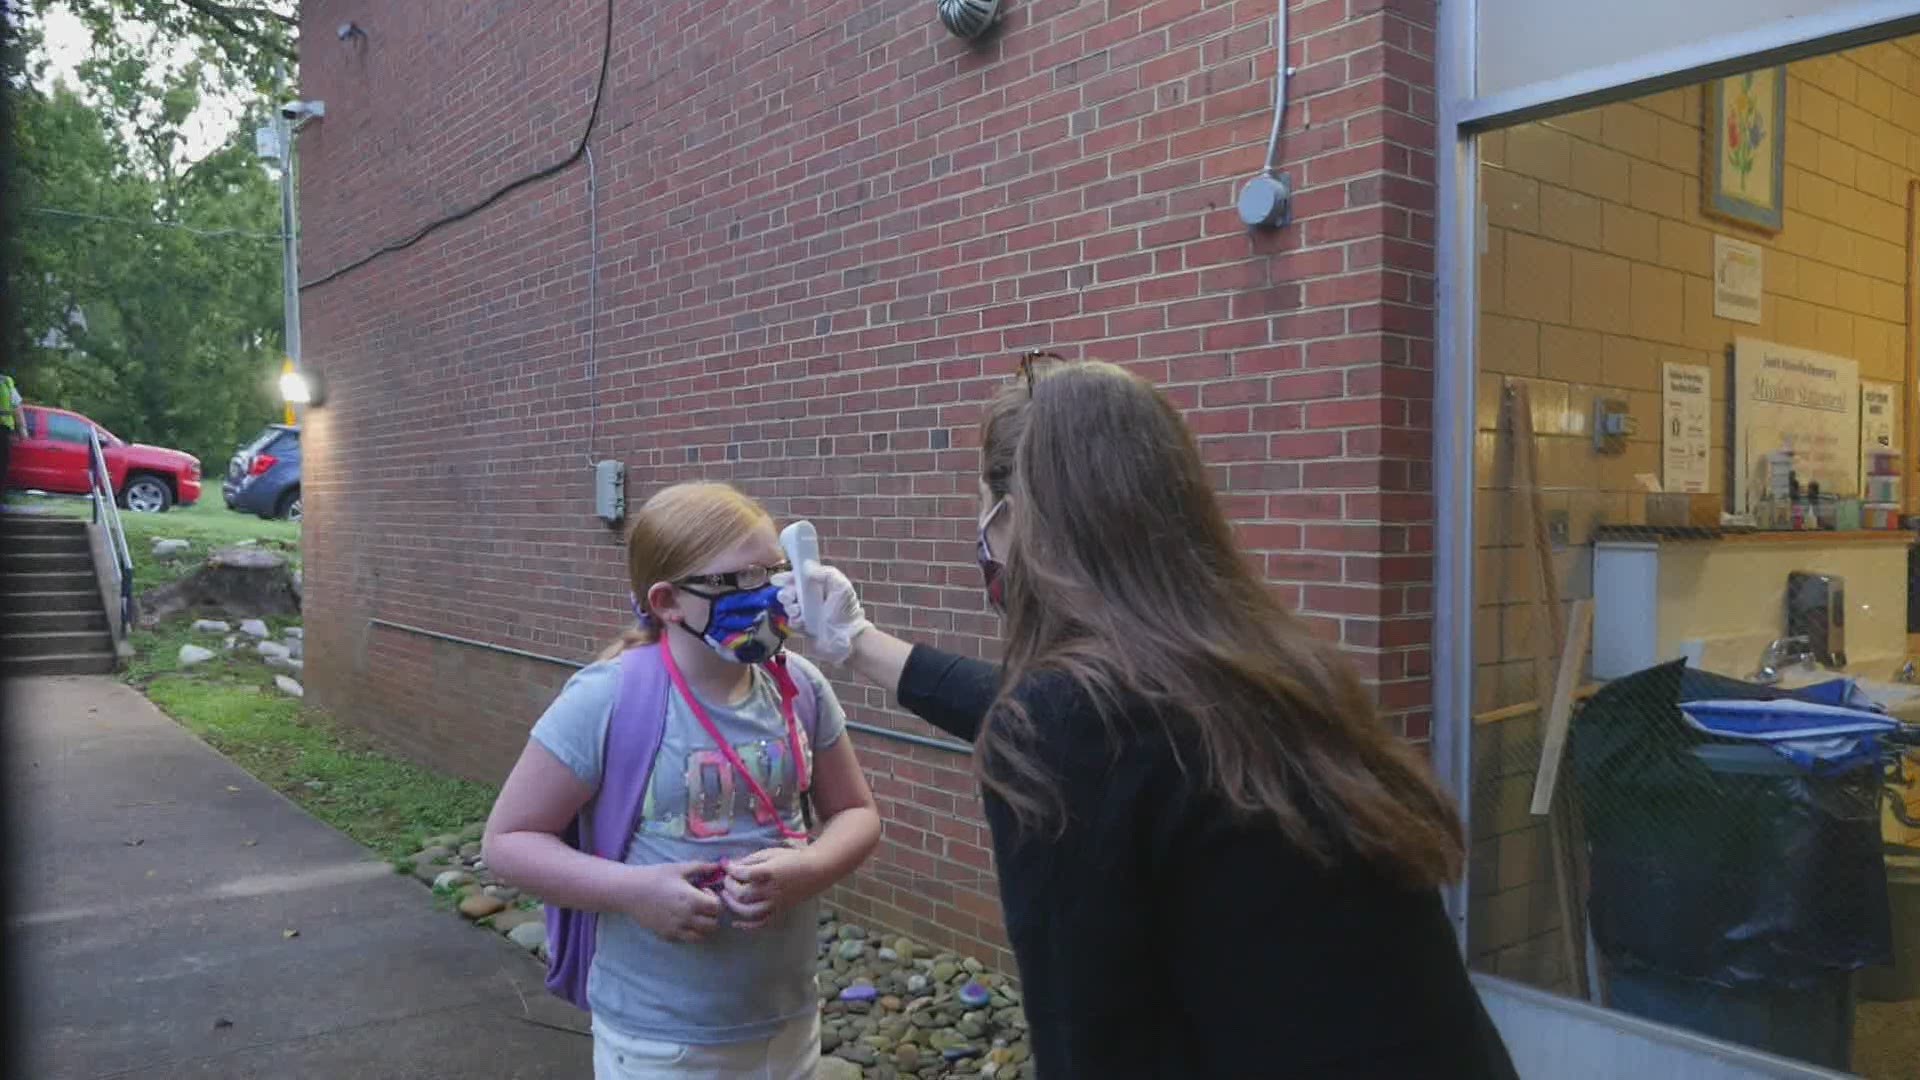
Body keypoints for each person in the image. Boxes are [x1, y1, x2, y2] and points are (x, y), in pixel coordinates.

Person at [779, 359, 1517, 1078]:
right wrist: (858, 643)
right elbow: (1036, 713)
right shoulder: (1266, 667)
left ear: (1015, 520)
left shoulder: (1072, 729)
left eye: (981, 506)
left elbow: (1094, 1049)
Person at [484, 482, 881, 1080]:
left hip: (788, 1020)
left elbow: (857, 813)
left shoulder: (797, 686)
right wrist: (633, 891)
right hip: (659, 1039)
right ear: (668, 601)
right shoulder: (609, 698)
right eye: (742, 581)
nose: (770, 595)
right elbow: (509, 841)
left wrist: (811, 868)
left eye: (775, 572)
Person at [0, 370, 23, 494]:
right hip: (3, 430)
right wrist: (22, 430)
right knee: (2, 466)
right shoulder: (6, 381)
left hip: (4, 430)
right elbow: (17, 407)